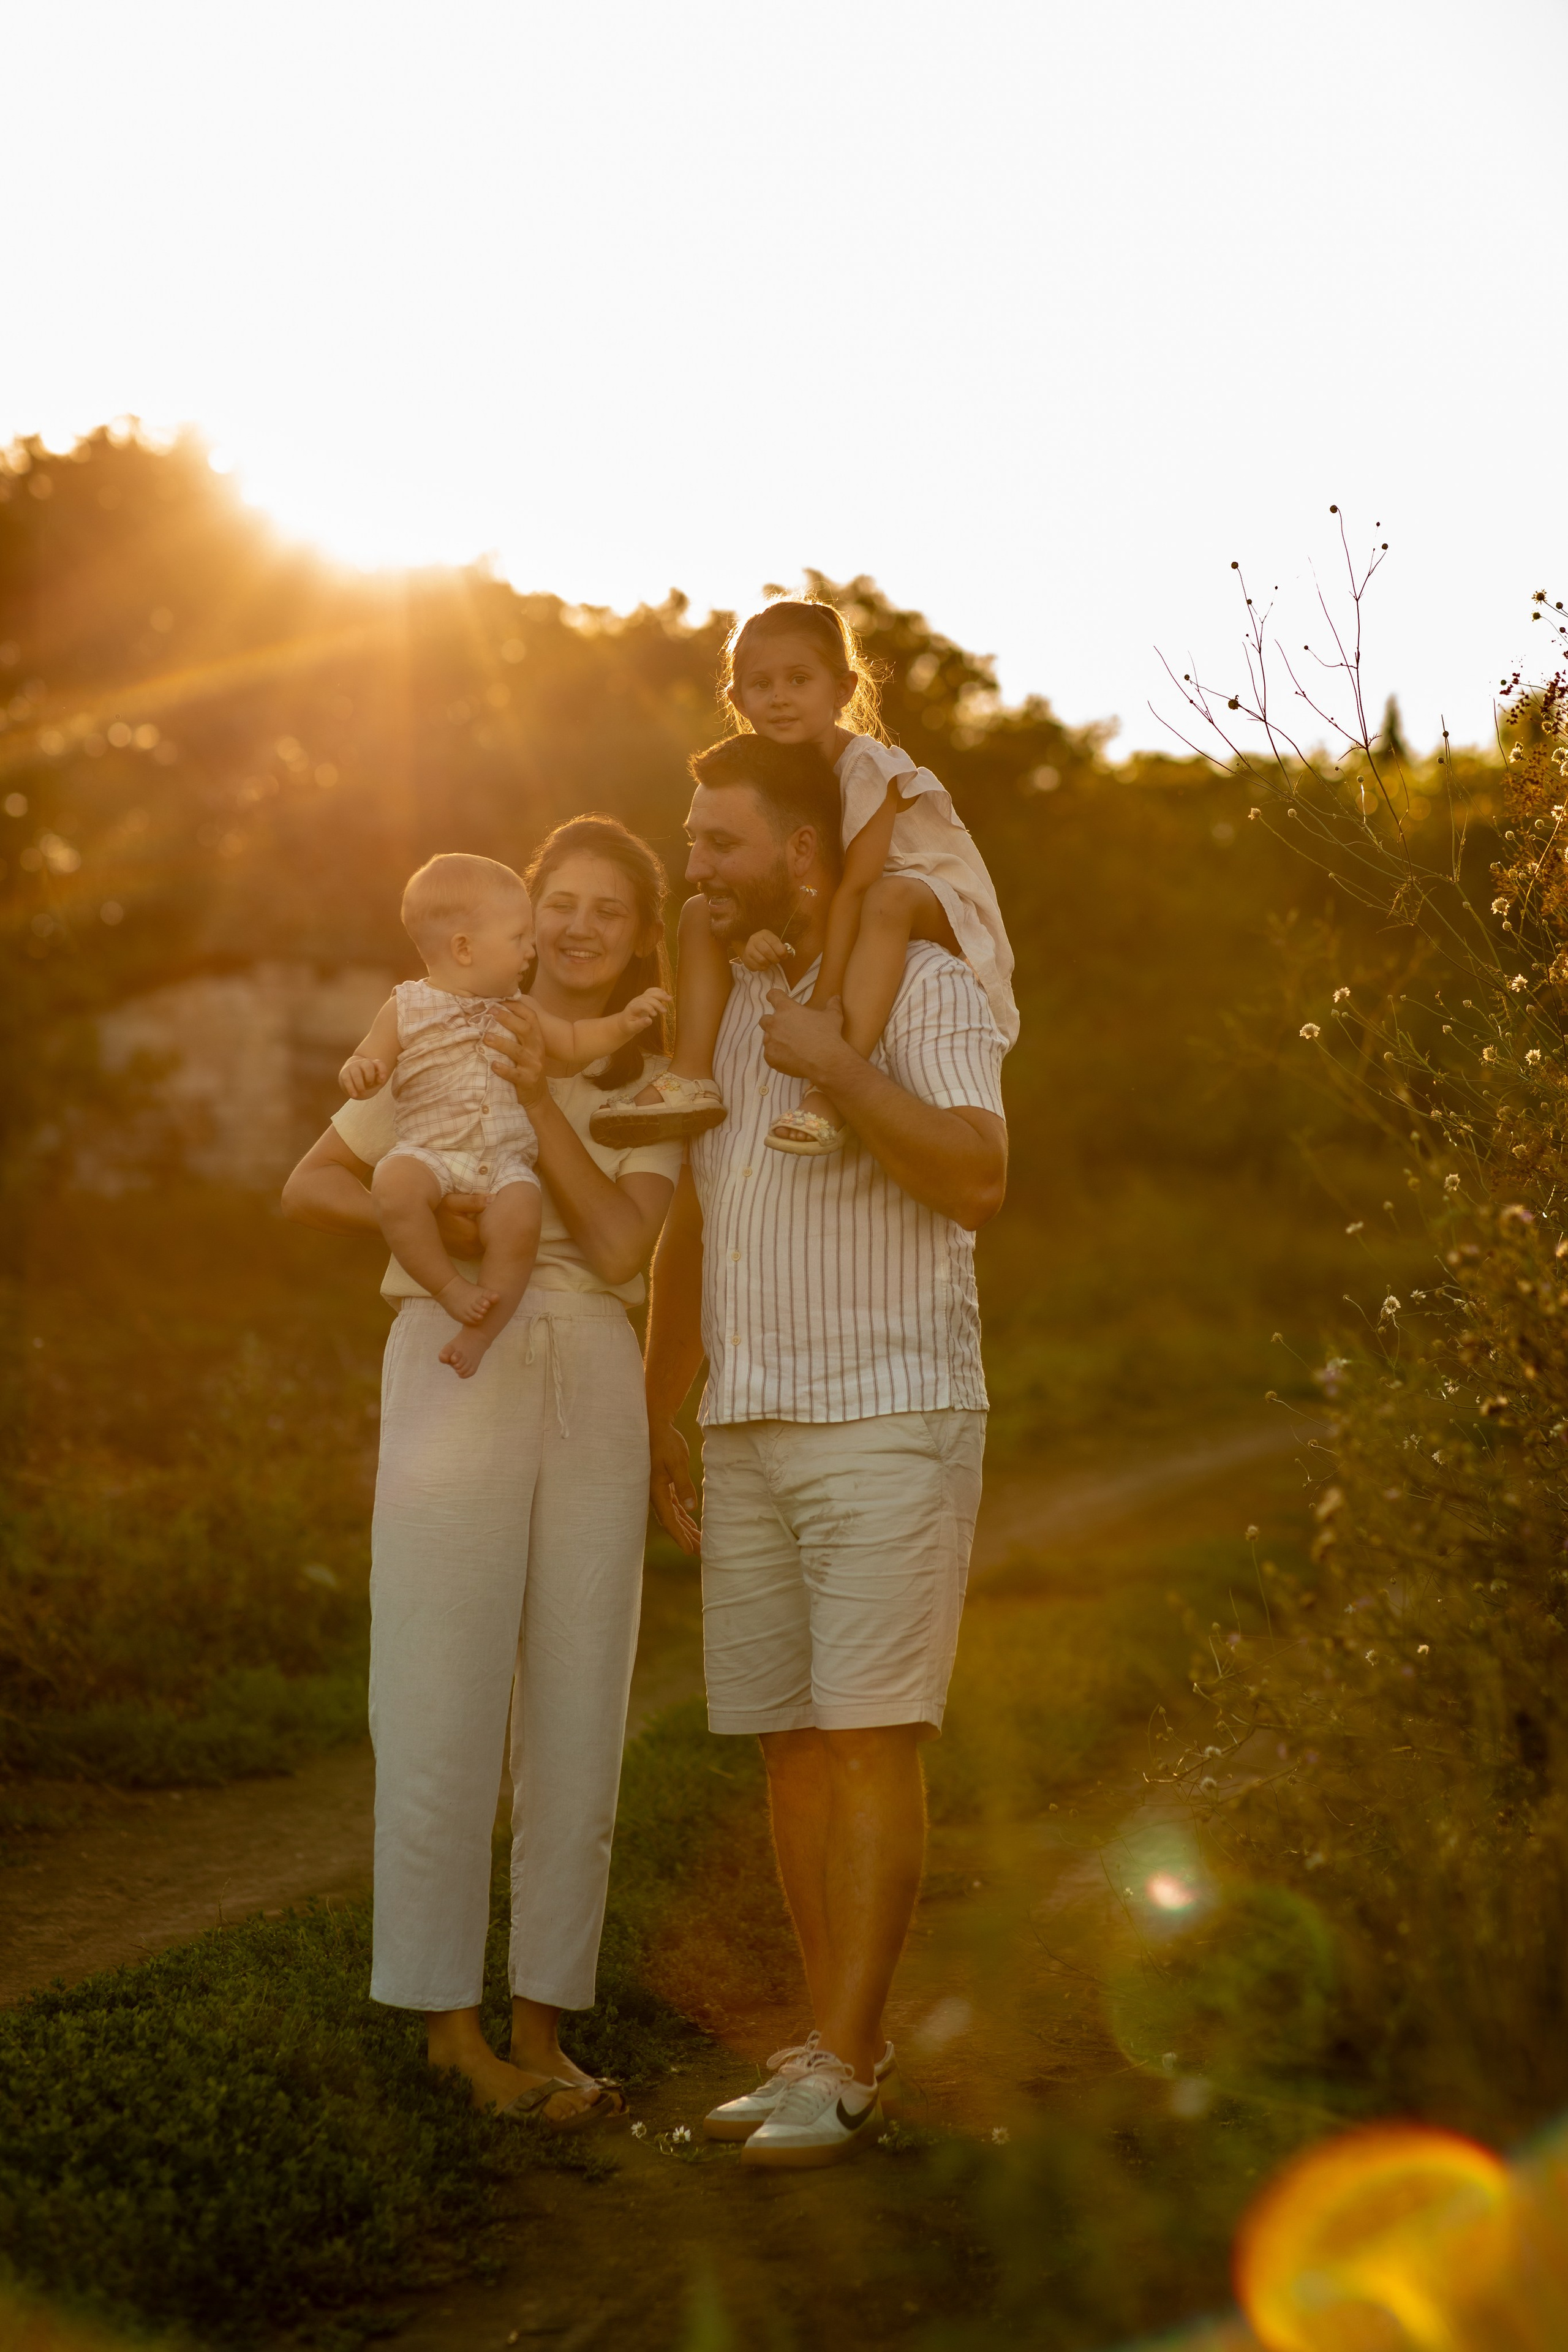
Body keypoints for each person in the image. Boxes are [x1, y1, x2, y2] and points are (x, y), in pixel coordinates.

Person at [643, 733, 1009, 2169]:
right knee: (791, 1747)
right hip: (745, 1421)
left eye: (716, 842)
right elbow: (694, 1225)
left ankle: (850, 2066)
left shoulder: (921, 986)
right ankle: (824, 2039)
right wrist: (662, 1406)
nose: (693, 866)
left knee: (866, 1737)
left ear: (802, 851)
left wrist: (838, 1068)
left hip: (888, 1410)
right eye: (689, 841)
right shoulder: (719, 1009)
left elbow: (975, 1177)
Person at [282, 817, 682, 2130]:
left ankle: (542, 2027)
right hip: (453, 1360)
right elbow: (311, 1187)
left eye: (609, 910)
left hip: (590, 1371)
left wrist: (535, 1100)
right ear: (518, 918)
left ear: (641, 938)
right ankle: (446, 2029)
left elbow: (618, 1249)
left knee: (580, 1697)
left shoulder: (657, 1080)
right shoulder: (439, 1024)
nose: (577, 926)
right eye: (559, 901)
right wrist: (440, 1225)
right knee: (436, 1685)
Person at [593, 598, 1016, 1158]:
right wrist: (748, 939)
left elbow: (854, 887)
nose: (780, 698)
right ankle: (691, 1075)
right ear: (738, 700)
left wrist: (823, 998)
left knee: (887, 902)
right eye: (761, 684)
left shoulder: (868, 769)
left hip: (924, 889)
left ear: (842, 689)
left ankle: (831, 1090)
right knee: (699, 911)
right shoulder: (767, 769)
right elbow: (800, 881)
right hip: (843, 895)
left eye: (799, 679)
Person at [339, 851, 667, 1376]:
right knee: (394, 1180)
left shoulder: (520, 1013)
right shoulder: (413, 1017)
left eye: (608, 912)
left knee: (520, 1210)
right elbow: (366, 1062)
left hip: (509, 1179)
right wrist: (361, 1071)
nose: (531, 949)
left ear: (646, 936)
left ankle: (480, 1332)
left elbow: (576, 1039)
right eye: (523, 935)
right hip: (430, 1160)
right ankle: (451, 1288)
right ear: (465, 947)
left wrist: (626, 1022)